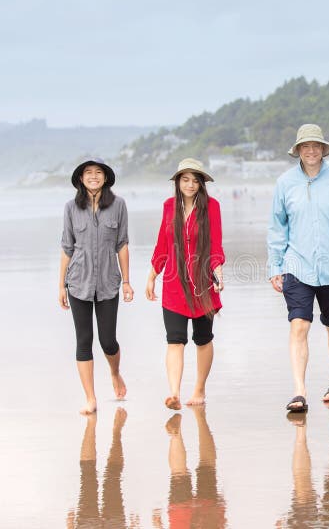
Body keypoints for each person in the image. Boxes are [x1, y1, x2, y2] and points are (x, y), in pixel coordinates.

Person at [268, 124, 329, 413]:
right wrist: (275, 265)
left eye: (315, 146)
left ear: (323, 149)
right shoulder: (285, 183)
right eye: (305, 146)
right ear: (297, 150)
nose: (311, 151)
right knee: (299, 324)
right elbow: (277, 228)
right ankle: (299, 390)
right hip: (297, 265)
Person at [147, 158, 225, 410]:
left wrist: (218, 272)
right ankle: (174, 393)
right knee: (175, 339)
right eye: (185, 179)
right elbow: (162, 244)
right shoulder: (169, 206)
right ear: (178, 182)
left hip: (203, 283)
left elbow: (215, 243)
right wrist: (152, 275)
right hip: (174, 283)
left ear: (201, 183)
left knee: (203, 338)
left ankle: (199, 389)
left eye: (195, 180)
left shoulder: (212, 207)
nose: (190, 185)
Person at [59, 158, 132, 415]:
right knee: (84, 340)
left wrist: (126, 281)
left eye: (98, 172)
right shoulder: (70, 208)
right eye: (88, 173)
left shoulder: (118, 205)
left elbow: (122, 244)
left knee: (108, 340)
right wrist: (60, 286)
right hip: (78, 282)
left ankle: (115, 372)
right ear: (80, 178)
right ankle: (90, 398)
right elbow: (67, 248)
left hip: (109, 282)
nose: (93, 176)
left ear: (105, 178)